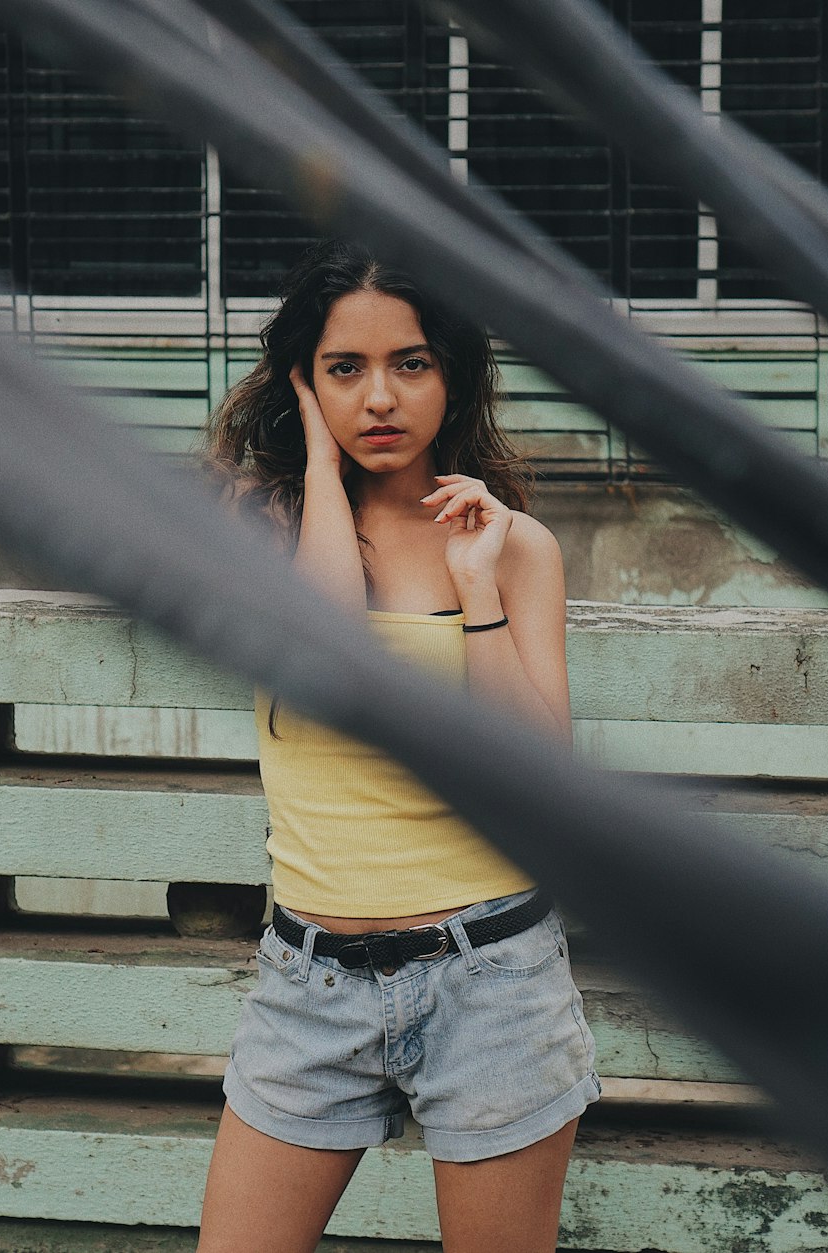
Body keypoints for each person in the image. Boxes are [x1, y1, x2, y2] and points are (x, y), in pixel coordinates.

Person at [198, 239, 600, 1253]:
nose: (380, 397)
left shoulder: (514, 546)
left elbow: (536, 768)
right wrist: (323, 474)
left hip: (493, 978)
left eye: (410, 363)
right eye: (345, 369)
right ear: (303, 381)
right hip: (309, 984)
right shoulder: (258, 522)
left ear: (451, 374)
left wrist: (476, 592)